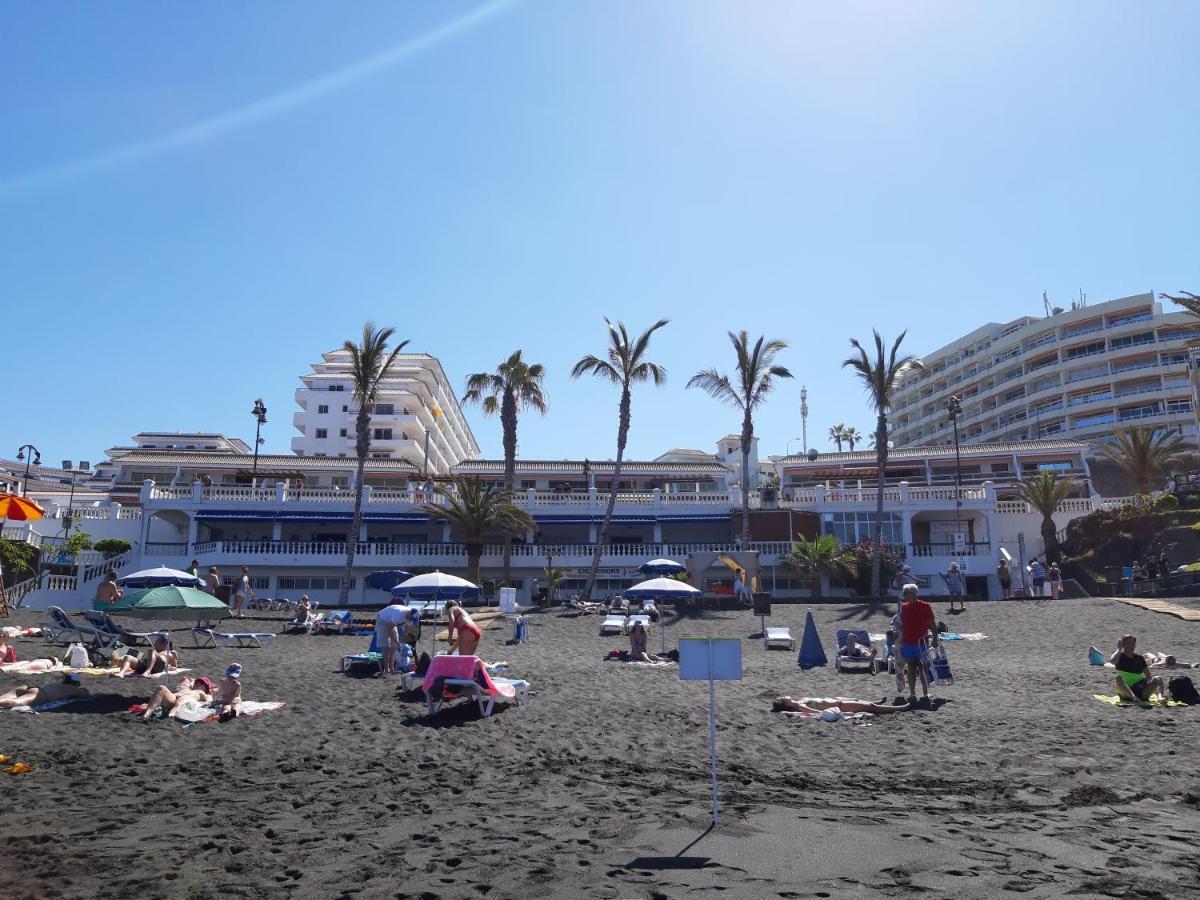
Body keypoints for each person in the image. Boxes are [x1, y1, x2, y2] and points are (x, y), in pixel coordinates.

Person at [898, 584, 938, 704]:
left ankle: (925, 694)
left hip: (921, 643)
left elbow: (932, 624)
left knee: (923, 669)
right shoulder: (903, 607)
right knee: (911, 667)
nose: (904, 594)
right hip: (908, 642)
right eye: (903, 592)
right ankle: (912, 693)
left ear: (913, 593)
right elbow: (898, 623)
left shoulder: (925, 606)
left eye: (906, 592)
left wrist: (935, 639)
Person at [1110, 635, 1167, 703]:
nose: (1131, 646)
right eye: (1128, 644)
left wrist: (1144, 685)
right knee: (1118, 678)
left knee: (1158, 678)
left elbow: (1148, 675)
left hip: (1141, 690)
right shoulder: (1119, 657)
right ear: (1123, 645)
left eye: (1133, 644)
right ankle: (1134, 698)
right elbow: (1113, 661)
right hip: (1125, 691)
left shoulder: (1139, 658)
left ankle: (1160, 698)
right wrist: (1119, 649)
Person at [142, 675, 213, 720]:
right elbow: (186, 681)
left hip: (187, 700)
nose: (198, 683)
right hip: (174, 698)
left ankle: (172, 714)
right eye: (197, 682)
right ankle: (147, 715)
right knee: (161, 688)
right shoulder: (187, 688)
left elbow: (209, 701)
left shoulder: (202, 693)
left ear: (206, 688)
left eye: (202, 683)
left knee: (182, 699)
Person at [0, 673, 88, 709]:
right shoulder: (75, 690)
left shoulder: (58, 684)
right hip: (41, 695)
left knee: (3, 699)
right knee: (12, 703)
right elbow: (85, 693)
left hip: (32, 688)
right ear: (76, 684)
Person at [374, 600, 411, 674]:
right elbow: (389, 630)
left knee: (394, 646)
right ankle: (386, 670)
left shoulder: (411, 614)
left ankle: (392, 668)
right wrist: (397, 643)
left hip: (391, 620)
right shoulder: (398, 616)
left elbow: (406, 629)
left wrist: (401, 642)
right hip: (382, 619)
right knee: (386, 646)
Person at [772, 696, 910, 716]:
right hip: (840, 706)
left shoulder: (801, 700)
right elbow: (816, 712)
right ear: (786, 703)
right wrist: (843, 714)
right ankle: (900, 708)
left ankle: (877, 703)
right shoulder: (800, 706)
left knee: (857, 699)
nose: (786, 696)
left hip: (835, 699)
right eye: (784, 698)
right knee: (870, 706)